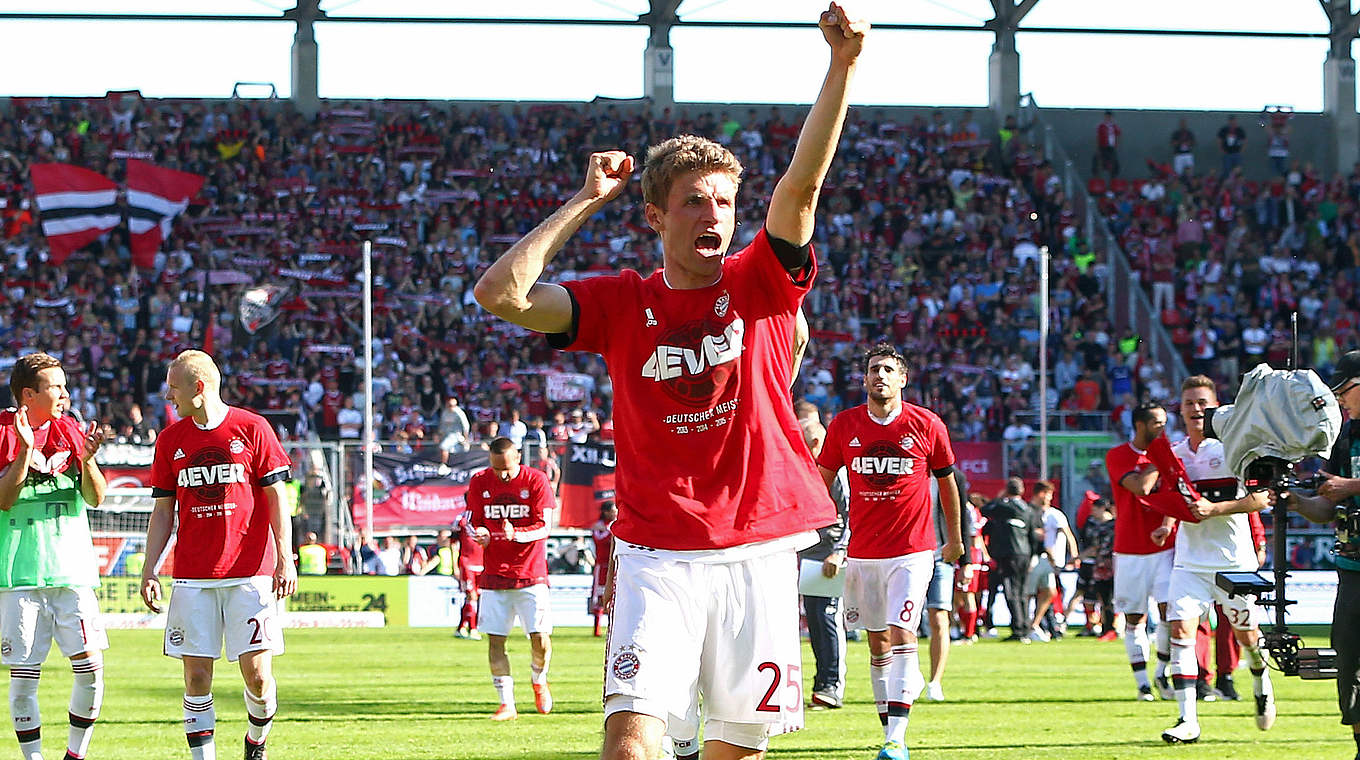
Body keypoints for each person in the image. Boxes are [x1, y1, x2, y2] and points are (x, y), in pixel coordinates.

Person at [471, 6, 864, 758]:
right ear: (655, 215)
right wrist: (586, 199)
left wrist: (842, 65)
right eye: (694, 201)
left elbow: (800, 191)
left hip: (758, 551)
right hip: (657, 555)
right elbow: (502, 295)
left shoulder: (761, 283)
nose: (713, 214)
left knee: (734, 751)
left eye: (724, 200)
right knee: (627, 744)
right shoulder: (622, 302)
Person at [140, 350, 297, 760]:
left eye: (174, 386)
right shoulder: (170, 440)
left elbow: (277, 498)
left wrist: (286, 557)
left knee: (259, 678)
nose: (168, 395)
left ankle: (256, 740)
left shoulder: (253, 428)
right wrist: (150, 568)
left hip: (250, 573)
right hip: (193, 576)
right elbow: (163, 512)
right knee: (195, 676)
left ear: (199, 386)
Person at [817, 343, 963, 759]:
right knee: (877, 641)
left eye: (887, 369)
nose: (878, 376)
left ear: (902, 379)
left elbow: (948, 484)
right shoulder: (845, 425)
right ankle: (889, 728)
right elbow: (821, 478)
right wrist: (812, 524)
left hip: (912, 551)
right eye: (872, 370)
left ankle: (897, 739)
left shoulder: (927, 424)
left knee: (901, 633)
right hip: (863, 552)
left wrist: (953, 538)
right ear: (864, 379)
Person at [1146, 375, 1274, 744]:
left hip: (1233, 560)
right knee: (1181, 632)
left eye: (1203, 402)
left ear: (1217, 407)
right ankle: (1188, 721)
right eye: (1189, 403)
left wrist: (1215, 508)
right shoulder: (1176, 452)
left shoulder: (1237, 449)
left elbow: (1261, 499)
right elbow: (1178, 496)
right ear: (1181, 409)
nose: (1196, 409)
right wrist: (1168, 522)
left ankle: (1259, 678)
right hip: (1189, 560)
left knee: (1246, 636)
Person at [0, 353, 108, 760]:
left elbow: (96, 498)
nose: (65, 394)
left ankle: (74, 756)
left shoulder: (71, 430)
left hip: (73, 572)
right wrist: (25, 452)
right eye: (55, 386)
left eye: (64, 385)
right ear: (29, 395)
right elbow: (4, 500)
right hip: (20, 576)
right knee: (25, 681)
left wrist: (89, 459)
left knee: (92, 673)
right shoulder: (2, 432)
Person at [1275, 350, 1360, 760]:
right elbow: (1328, 508)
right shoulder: (1345, 437)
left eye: (1344, 390)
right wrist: (1293, 500)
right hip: (1352, 566)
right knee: (1348, 661)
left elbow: (1345, 489)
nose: (1340, 400)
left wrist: (1350, 486)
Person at [467, 437, 555, 721]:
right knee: (496, 641)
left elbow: (545, 527)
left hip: (532, 573)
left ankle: (539, 679)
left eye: (506, 469)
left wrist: (516, 534)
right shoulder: (480, 481)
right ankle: (507, 703)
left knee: (539, 639)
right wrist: (478, 533)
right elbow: (470, 520)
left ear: (518, 457)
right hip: (494, 574)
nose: (502, 475)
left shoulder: (537, 480)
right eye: (496, 469)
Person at [1105, 402, 1180, 701]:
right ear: (1140, 425)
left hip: (1165, 548)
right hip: (1129, 549)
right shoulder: (1118, 456)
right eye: (1157, 423)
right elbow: (1141, 488)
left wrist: (1167, 523)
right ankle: (1141, 685)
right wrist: (1158, 461)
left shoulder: (1170, 455)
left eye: (1165, 423)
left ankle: (1161, 675)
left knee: (1168, 613)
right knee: (1134, 618)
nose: (1163, 429)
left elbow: (1176, 494)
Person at [796, 417, 849, 710]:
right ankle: (820, 685)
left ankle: (832, 685)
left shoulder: (837, 474)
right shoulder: (805, 471)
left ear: (815, 442)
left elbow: (851, 513)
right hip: (808, 556)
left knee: (828, 619)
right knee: (815, 621)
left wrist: (839, 551)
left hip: (830, 557)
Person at [922, 470, 970, 700]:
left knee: (939, 617)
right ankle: (908, 674)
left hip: (941, 557)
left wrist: (966, 561)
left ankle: (935, 681)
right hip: (910, 555)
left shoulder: (953, 477)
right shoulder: (907, 468)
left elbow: (964, 518)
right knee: (902, 621)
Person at [981, 478, 1042, 642]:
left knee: (1012, 591)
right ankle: (1024, 627)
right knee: (1022, 591)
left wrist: (1000, 497)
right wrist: (1034, 555)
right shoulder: (1029, 510)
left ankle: (1018, 629)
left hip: (1008, 554)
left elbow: (985, 509)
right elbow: (1034, 535)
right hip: (1025, 554)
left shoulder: (1003, 507)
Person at [1024, 481, 1077, 642]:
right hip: (1034, 558)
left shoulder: (1054, 514)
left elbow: (1068, 534)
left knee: (1049, 592)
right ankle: (1025, 625)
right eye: (1048, 494)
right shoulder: (1028, 511)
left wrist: (1073, 555)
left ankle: (1034, 624)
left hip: (1049, 560)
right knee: (1029, 593)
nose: (1049, 498)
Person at [453, 508, 485, 640]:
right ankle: (473, 629)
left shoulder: (486, 516)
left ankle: (461, 628)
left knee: (476, 597)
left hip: (482, 564)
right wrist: (455, 565)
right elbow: (453, 543)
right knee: (471, 596)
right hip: (467, 563)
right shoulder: (461, 520)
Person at [590, 502, 618, 638]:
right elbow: (599, 540)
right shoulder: (599, 526)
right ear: (606, 512)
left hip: (614, 564)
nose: (615, 513)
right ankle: (596, 629)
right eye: (613, 511)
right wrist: (611, 533)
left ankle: (611, 627)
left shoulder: (615, 526)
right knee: (599, 597)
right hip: (601, 566)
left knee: (614, 596)